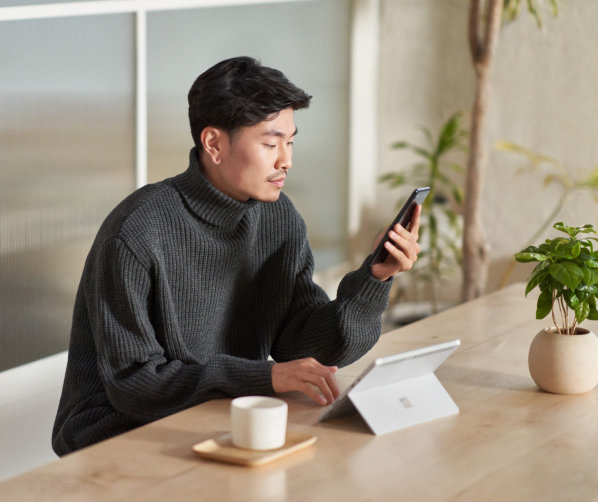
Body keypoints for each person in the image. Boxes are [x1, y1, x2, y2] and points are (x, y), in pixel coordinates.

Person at [52, 56, 421, 456]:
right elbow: (134, 385)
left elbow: (305, 350)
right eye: (270, 143)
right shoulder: (136, 231)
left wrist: (375, 279)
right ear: (213, 143)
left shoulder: (278, 217)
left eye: (291, 141)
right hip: (118, 432)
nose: (286, 160)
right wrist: (263, 377)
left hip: (218, 415)